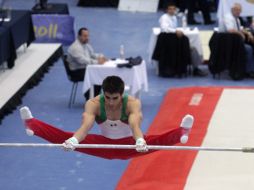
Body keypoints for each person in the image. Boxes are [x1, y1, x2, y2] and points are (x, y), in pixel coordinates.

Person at [20, 76, 194, 160]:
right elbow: (86, 125)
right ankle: (32, 125)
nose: (110, 102)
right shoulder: (94, 103)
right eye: (108, 97)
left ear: (122, 94)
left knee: (156, 140)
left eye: (115, 98)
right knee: (65, 137)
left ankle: (181, 133)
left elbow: (134, 125)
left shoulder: (132, 103)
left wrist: (139, 140)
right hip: (103, 144)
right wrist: (74, 140)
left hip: (130, 144)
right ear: (103, 94)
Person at [159, 2, 207, 77]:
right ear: (167, 10)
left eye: (173, 9)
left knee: (193, 49)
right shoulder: (164, 18)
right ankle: (195, 69)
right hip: (169, 43)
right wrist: (175, 31)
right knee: (191, 48)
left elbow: (173, 29)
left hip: (175, 42)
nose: (172, 11)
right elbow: (165, 28)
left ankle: (196, 68)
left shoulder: (174, 18)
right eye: (170, 9)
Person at [67, 27, 107, 100]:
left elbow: (92, 55)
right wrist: (97, 62)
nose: (87, 38)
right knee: (97, 75)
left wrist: (101, 57)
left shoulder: (86, 45)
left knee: (99, 74)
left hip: (84, 68)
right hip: (76, 72)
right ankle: (89, 97)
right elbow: (83, 61)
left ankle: (93, 96)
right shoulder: (75, 48)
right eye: (85, 36)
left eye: (88, 36)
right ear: (79, 36)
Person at [219, 3, 254, 77]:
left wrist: (247, 33)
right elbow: (230, 30)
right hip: (227, 43)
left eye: (240, 11)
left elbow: (240, 28)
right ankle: (249, 71)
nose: (239, 12)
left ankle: (246, 68)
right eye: (237, 10)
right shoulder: (228, 17)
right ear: (233, 10)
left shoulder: (236, 18)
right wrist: (240, 34)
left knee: (250, 44)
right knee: (249, 49)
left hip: (234, 41)